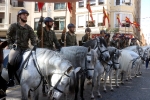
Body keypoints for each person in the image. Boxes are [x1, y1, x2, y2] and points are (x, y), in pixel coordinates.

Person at [6, 9, 37, 87]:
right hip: (16, 48)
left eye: (26, 15)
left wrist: (35, 45)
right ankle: (11, 79)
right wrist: (11, 45)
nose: (25, 16)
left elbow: (33, 38)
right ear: (19, 16)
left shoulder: (29, 28)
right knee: (11, 59)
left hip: (26, 48)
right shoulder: (13, 26)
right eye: (24, 15)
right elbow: (8, 36)